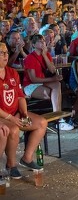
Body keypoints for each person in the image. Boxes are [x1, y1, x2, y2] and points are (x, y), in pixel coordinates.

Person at [0, 42, 48, 179]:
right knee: (13, 129)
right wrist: (11, 118)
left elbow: (20, 96)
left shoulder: (12, 72)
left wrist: (24, 113)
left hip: (14, 112)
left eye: (6, 53)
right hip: (3, 116)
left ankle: (27, 158)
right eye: (1, 53)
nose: (5, 55)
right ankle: (11, 164)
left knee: (41, 123)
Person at [23, 34, 74, 130]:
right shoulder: (30, 58)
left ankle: (58, 119)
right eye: (39, 41)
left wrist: (44, 55)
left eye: (43, 41)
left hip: (42, 82)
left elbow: (52, 70)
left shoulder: (46, 55)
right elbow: (33, 79)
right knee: (55, 93)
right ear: (33, 45)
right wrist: (52, 79)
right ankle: (59, 120)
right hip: (30, 85)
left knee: (57, 85)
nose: (42, 43)